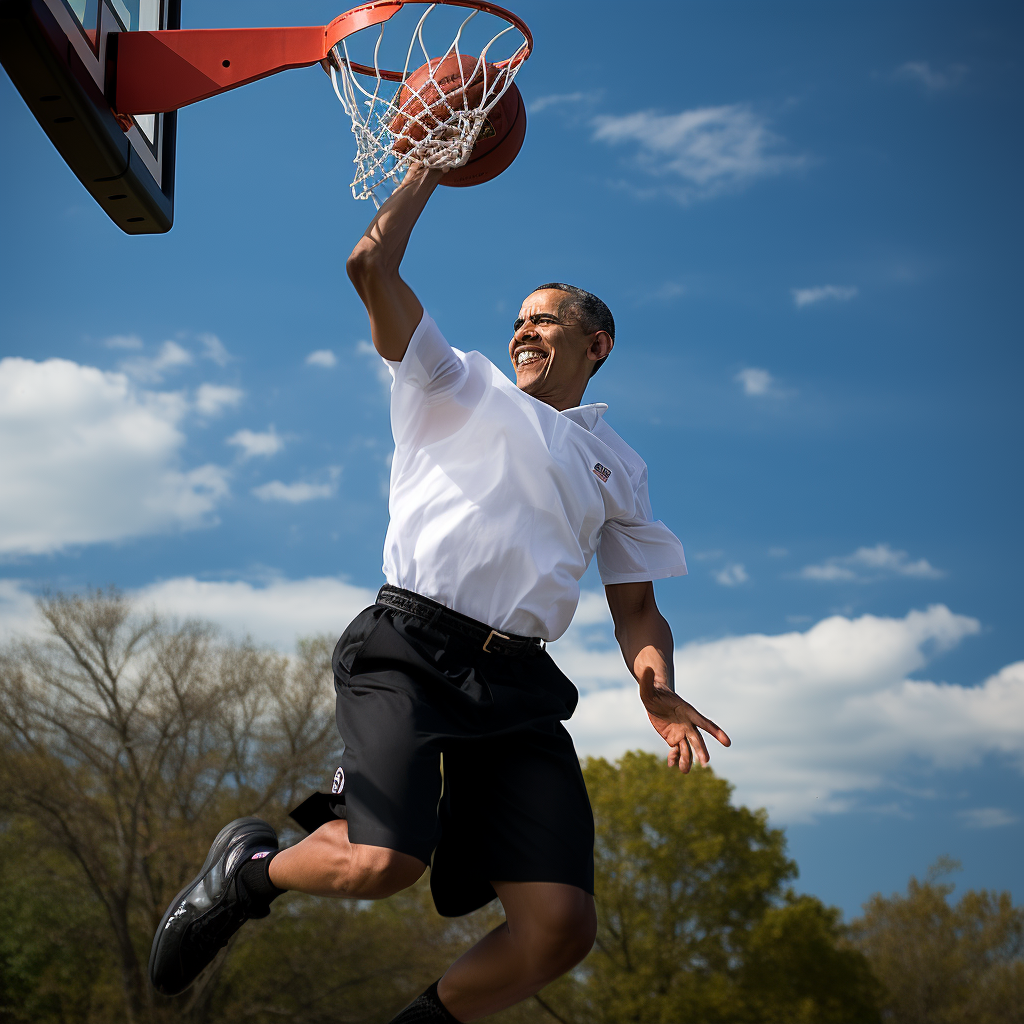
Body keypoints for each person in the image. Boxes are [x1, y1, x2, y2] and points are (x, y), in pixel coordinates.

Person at [149, 163, 731, 1023]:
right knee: (382, 866)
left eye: (547, 319)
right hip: (408, 651)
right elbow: (369, 269)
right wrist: (430, 166)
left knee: (561, 927)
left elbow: (636, 607)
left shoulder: (621, 468)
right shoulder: (452, 380)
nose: (525, 332)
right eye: (520, 320)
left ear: (596, 343)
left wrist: (658, 687)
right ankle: (249, 871)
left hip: (517, 688)